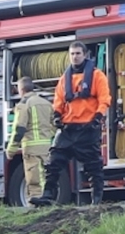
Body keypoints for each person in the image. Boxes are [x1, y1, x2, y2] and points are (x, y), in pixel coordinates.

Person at [46, 42, 110, 205]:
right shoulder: (64, 79)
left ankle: (97, 199)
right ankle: (47, 194)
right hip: (68, 128)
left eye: (77, 54)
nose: (74, 57)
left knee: (94, 166)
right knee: (54, 160)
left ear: (85, 55)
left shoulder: (97, 76)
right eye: (72, 54)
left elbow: (105, 99)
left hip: (88, 128)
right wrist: (57, 116)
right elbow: (58, 101)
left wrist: (97, 117)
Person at [5, 77, 55, 208]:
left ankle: (35, 209)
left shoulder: (23, 104)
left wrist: (11, 150)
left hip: (31, 148)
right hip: (47, 147)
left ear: (21, 90)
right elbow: (54, 125)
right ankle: (46, 204)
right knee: (45, 176)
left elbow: (19, 129)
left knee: (34, 181)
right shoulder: (46, 103)